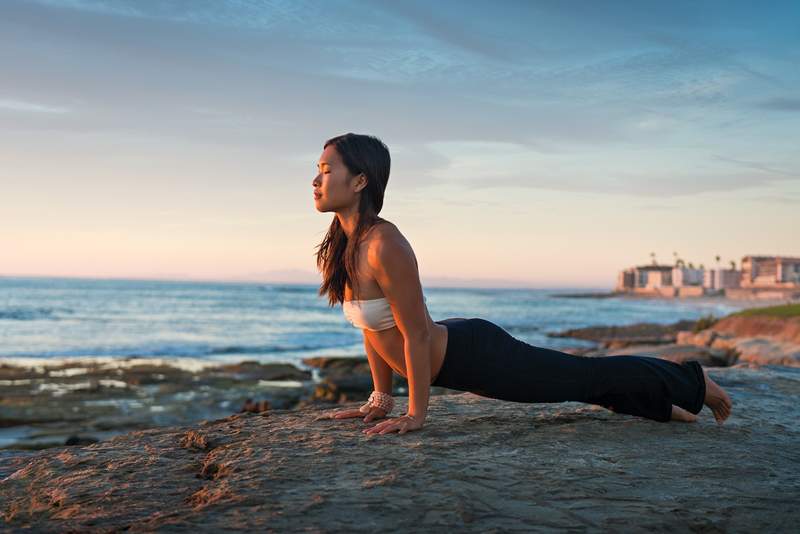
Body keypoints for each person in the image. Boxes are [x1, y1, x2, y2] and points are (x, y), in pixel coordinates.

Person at [310, 132, 732, 437]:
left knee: (582, 376)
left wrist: (417, 414)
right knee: (573, 381)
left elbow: (415, 334)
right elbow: (373, 329)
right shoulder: (345, 245)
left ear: (361, 181)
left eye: (327, 170)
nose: (316, 180)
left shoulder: (385, 245)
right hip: (454, 353)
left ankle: (692, 383)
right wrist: (380, 400)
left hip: (474, 355)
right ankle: (664, 408)